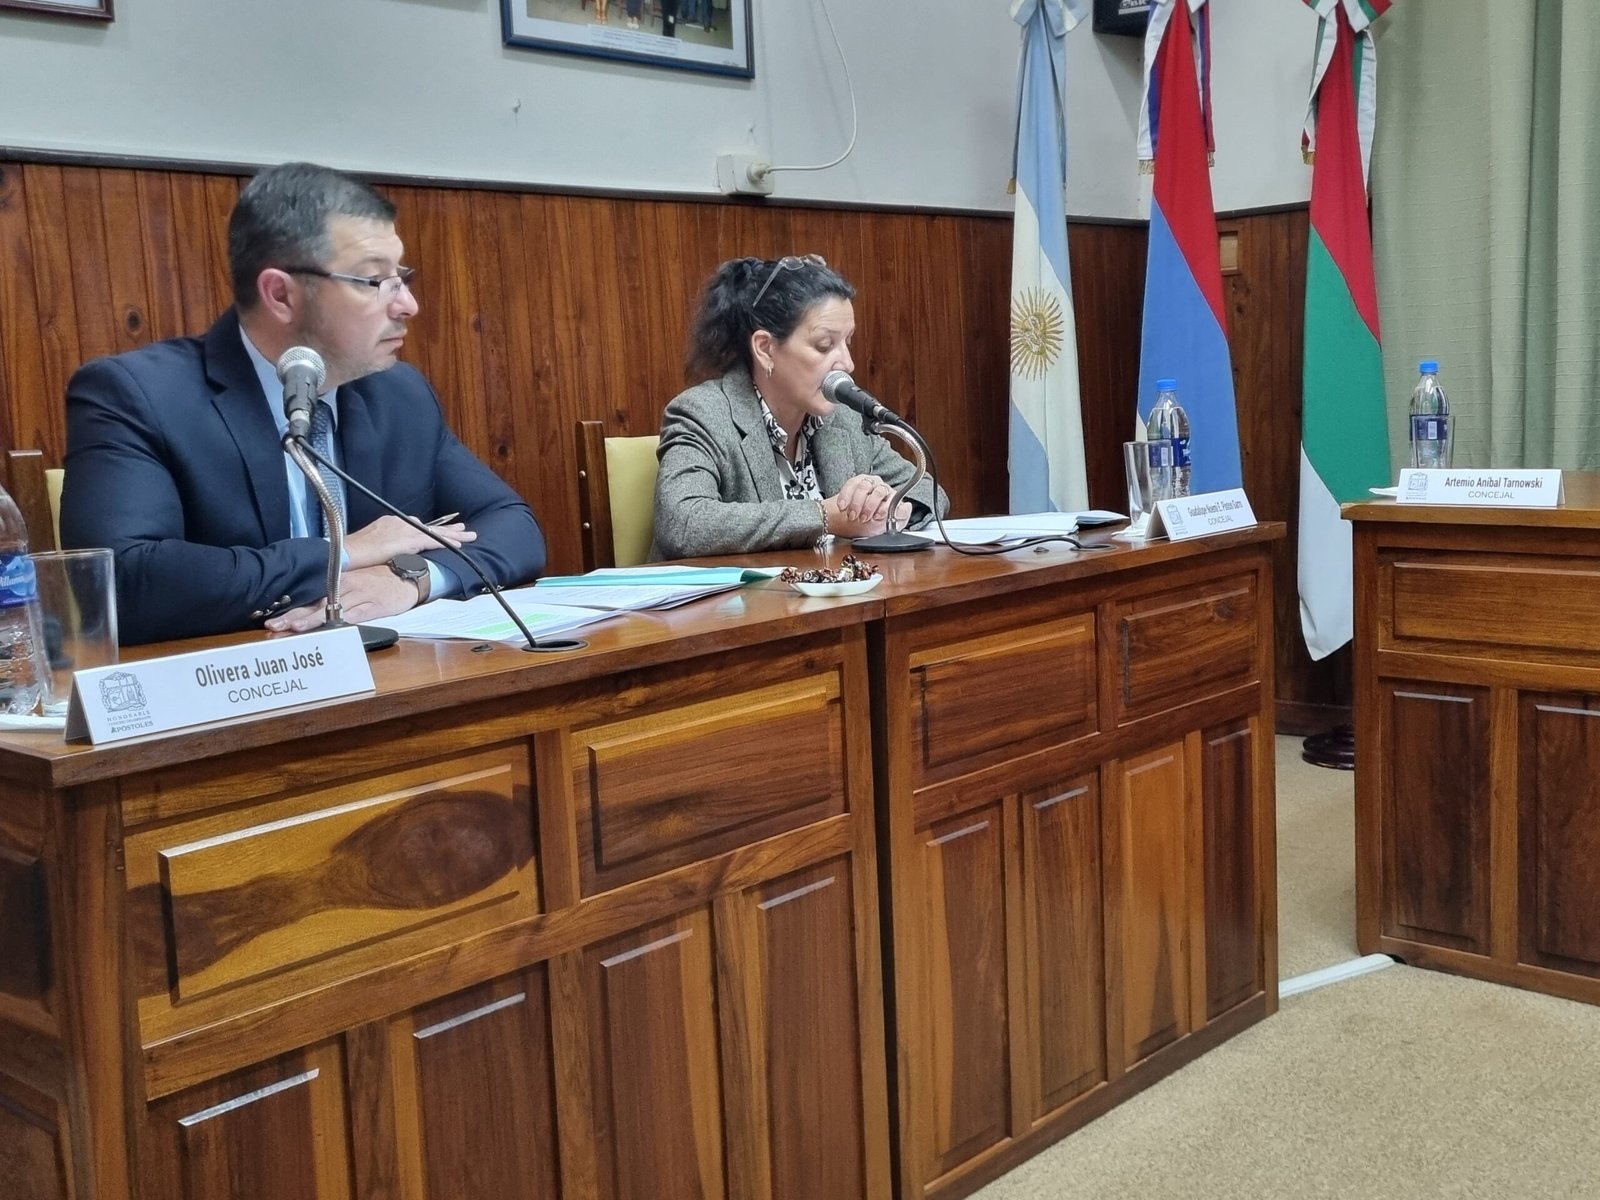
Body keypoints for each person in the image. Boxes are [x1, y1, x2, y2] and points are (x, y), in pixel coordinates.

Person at [60, 162, 546, 646]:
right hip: (235, 690)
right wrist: (342, 553)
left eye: (402, 277)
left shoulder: (400, 394)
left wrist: (411, 579)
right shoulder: (138, 395)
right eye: (374, 281)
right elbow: (122, 581)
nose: (408, 305)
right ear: (281, 295)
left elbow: (513, 526)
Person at [651, 255, 947, 559]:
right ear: (765, 349)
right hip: (737, 604)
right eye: (824, 345)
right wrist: (824, 517)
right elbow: (684, 523)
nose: (847, 363)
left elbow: (929, 490)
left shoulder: (842, 417)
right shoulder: (701, 413)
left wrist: (889, 508)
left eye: (848, 341)